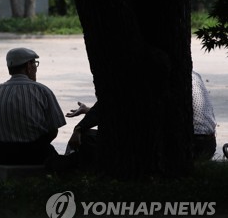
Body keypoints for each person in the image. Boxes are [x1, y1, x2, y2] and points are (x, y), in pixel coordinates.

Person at [64, 70, 218, 166]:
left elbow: (112, 103)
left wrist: (80, 128)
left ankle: (75, 170)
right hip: (208, 144)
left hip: (184, 145)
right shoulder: (191, 74)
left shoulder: (150, 79)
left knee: (90, 138)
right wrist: (89, 111)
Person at [0, 48, 66, 165]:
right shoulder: (42, 91)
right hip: (35, 154)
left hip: (1, 155)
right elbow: (54, 130)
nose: (35, 68)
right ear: (29, 66)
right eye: (35, 63)